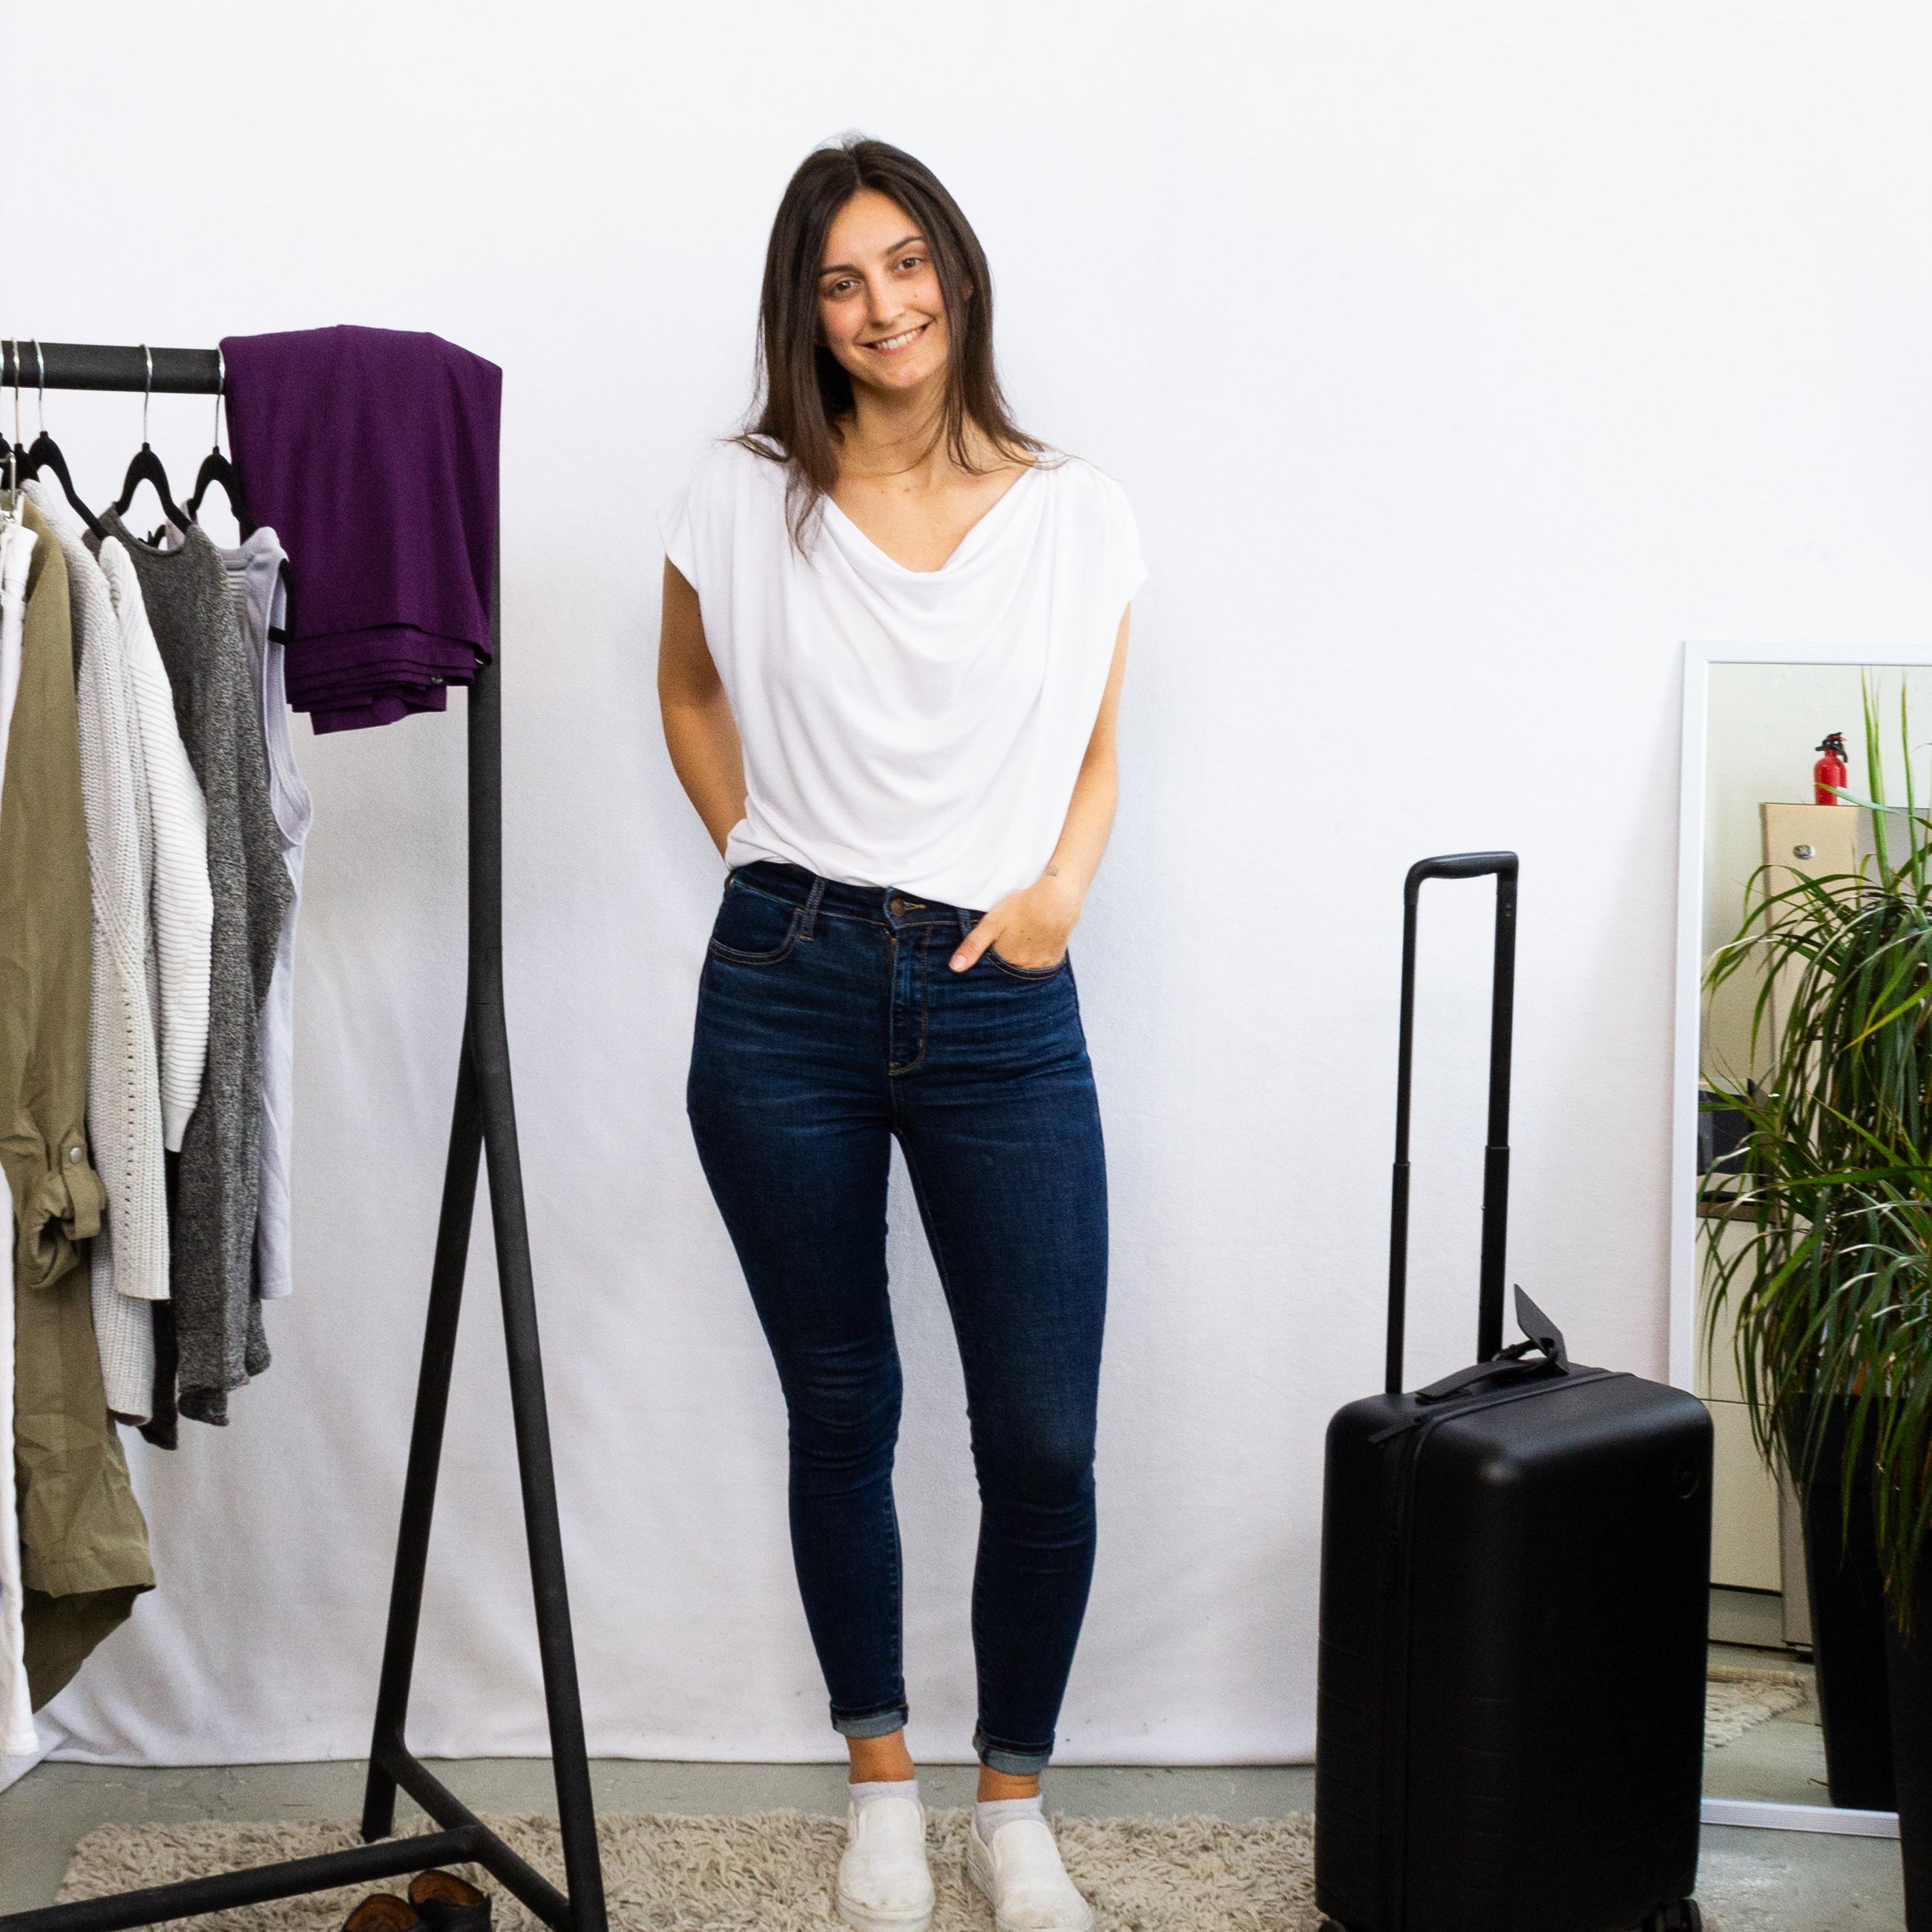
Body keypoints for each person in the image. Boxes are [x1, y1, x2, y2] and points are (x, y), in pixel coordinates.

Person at [657, 134, 1143, 1932]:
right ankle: (881, 1783)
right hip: (780, 986)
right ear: (806, 309)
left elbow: (1099, 740)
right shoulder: (736, 492)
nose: (886, 307)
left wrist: (1061, 893)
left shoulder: (1078, 507)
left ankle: (1013, 1805)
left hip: (1003, 997)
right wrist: (743, 842)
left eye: (910, 262)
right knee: (841, 1405)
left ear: (960, 269)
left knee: (1039, 1439)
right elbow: (688, 685)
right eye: (845, 280)